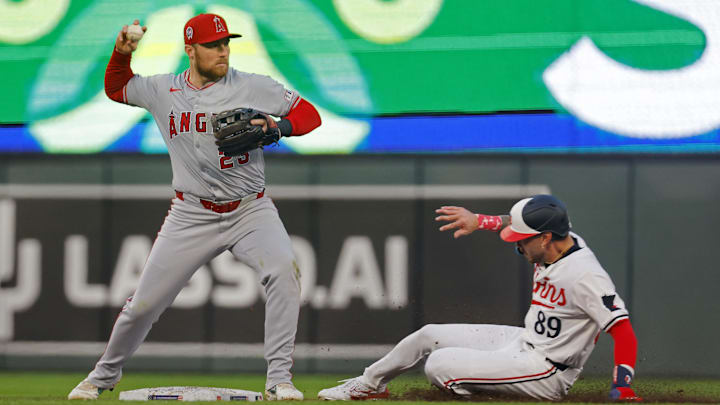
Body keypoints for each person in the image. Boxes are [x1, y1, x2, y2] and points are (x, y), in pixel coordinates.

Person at [68, 14, 321, 401]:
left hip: (250, 210)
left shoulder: (253, 85)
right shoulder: (163, 90)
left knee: (284, 272)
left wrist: (276, 128)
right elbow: (117, 87)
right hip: (191, 214)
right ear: (191, 50)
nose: (223, 51)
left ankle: (279, 379)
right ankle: (102, 376)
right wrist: (121, 53)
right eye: (213, 45)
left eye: (226, 43)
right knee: (143, 305)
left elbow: (309, 115)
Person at [317, 195, 641, 401]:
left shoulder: (585, 274)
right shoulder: (559, 237)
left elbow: (622, 329)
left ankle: (496, 396)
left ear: (545, 238)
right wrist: (481, 221)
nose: (517, 245)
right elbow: (511, 223)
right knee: (428, 334)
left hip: (547, 370)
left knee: (440, 365)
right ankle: (369, 385)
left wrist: (622, 385)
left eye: (523, 241)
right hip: (525, 342)